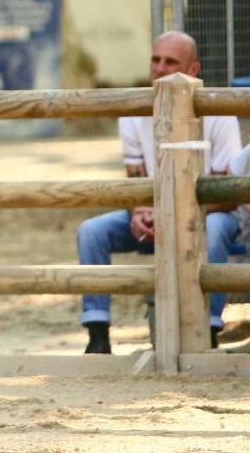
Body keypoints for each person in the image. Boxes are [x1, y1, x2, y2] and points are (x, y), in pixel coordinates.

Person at [77, 31, 243, 354]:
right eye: (155, 60)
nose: (160, 68)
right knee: (90, 232)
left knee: (216, 229)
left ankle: (208, 330)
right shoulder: (134, 109)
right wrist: (138, 211)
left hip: (212, 217)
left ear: (193, 70)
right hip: (156, 215)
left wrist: (177, 212)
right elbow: (134, 179)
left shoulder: (219, 110)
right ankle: (97, 334)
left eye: (171, 62)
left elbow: (230, 193)